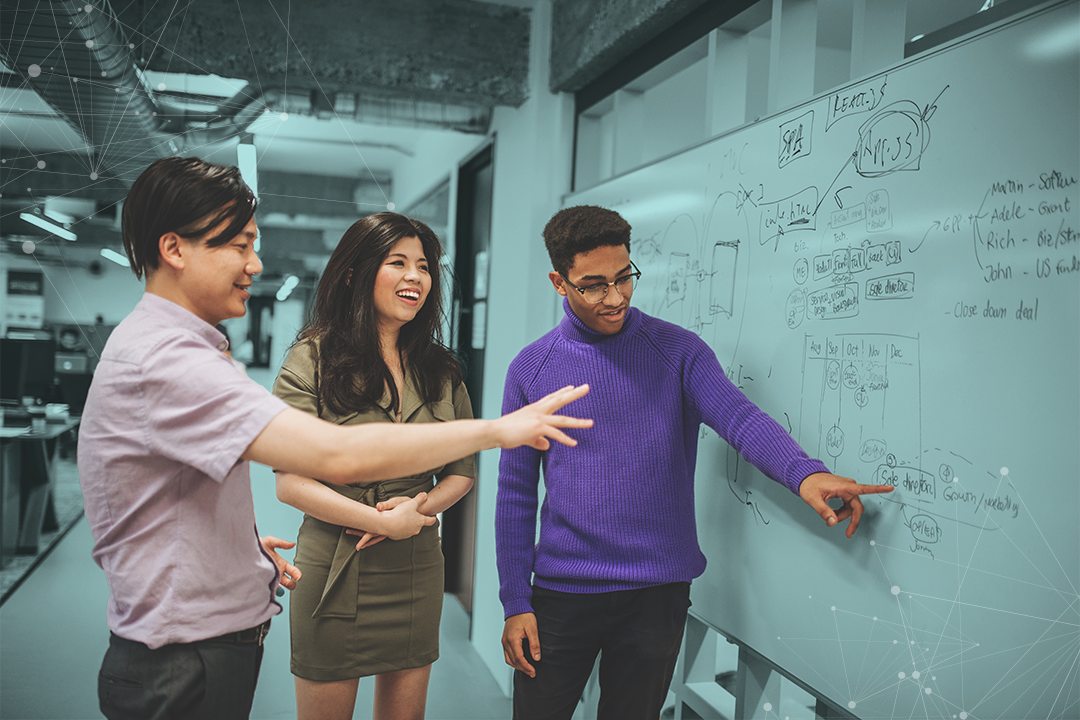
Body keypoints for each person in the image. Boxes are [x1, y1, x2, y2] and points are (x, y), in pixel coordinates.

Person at [77, 156, 593, 720]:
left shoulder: (200, 350)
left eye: (423, 265)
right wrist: (497, 430)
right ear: (175, 249)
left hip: (257, 619)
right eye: (240, 245)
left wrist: (238, 554)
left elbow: (179, 490)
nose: (256, 263)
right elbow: (330, 457)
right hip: (188, 651)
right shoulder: (172, 359)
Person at [495, 205, 894, 720]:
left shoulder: (676, 352)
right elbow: (516, 494)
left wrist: (806, 473)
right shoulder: (533, 368)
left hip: (656, 593)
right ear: (559, 282)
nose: (615, 297)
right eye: (594, 285)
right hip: (562, 593)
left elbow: (740, 419)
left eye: (624, 278)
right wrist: (514, 601)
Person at [271, 212, 474, 720]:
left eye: (424, 266)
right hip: (334, 563)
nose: (415, 277)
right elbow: (290, 482)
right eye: (397, 262)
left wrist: (419, 507)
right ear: (353, 272)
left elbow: (462, 470)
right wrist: (382, 522)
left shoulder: (441, 368)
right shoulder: (310, 359)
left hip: (416, 566)